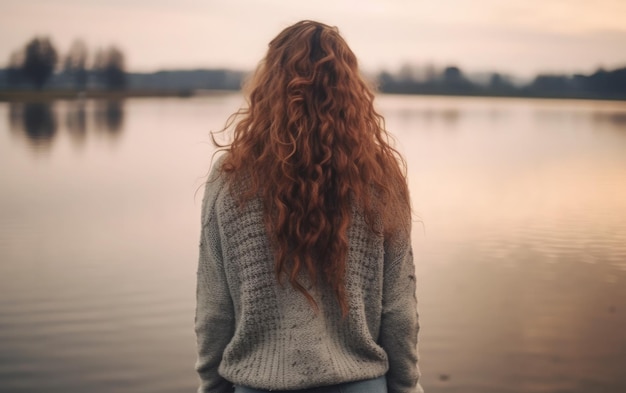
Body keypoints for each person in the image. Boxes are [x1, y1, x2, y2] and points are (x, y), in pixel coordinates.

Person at [195, 20, 422, 393]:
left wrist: (211, 386)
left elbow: (214, 309)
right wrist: (407, 387)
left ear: (267, 85)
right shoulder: (380, 176)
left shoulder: (231, 175)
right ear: (351, 89)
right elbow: (399, 311)